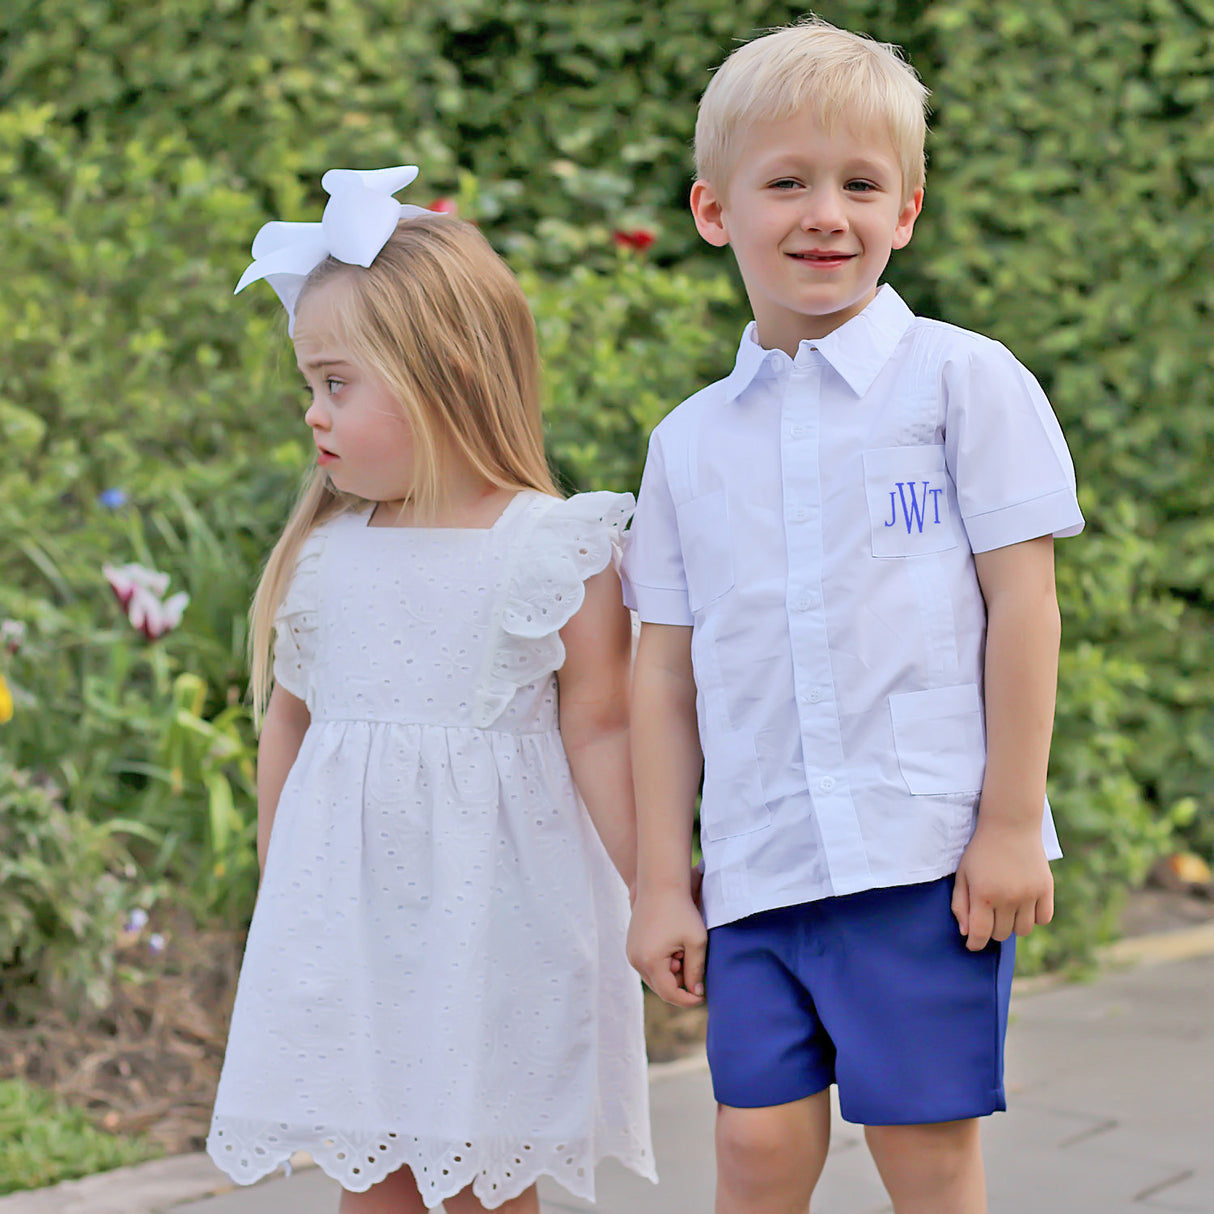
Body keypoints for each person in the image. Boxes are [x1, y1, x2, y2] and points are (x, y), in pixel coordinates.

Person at [622, 19, 1084, 1214]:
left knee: (923, 1158)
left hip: (920, 856)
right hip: (760, 868)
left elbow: (1020, 606)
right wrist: (660, 883)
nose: (824, 212)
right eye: (786, 181)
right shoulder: (686, 444)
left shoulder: (962, 382)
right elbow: (662, 675)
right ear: (714, 209)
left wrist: (1007, 818)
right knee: (754, 1153)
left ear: (906, 212)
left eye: (858, 184)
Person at [207, 166, 655, 1213]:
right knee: (372, 1180)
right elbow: (292, 720)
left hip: (495, 931)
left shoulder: (553, 548)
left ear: (443, 371)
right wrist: (286, 895)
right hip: (356, 930)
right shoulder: (325, 551)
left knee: (487, 1184)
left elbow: (598, 728)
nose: (313, 413)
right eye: (309, 385)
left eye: (336, 383)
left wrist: (657, 893)